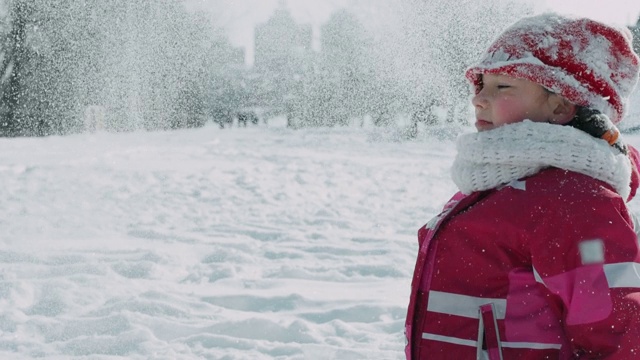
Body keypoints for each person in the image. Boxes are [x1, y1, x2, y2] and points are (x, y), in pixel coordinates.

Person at [405, 13, 640, 360]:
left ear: (560, 106)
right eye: (480, 85)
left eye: (502, 86)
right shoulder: (492, 182)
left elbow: (616, 336)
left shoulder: (575, 201)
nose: (479, 99)